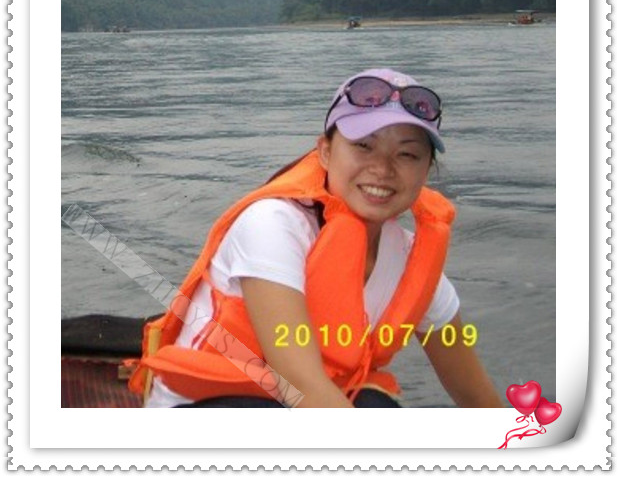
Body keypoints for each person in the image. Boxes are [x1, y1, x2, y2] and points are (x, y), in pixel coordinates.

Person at [129, 68, 503, 408]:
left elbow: (475, 394)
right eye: (363, 146)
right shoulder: (273, 225)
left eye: (407, 154)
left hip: (312, 402)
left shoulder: (409, 260)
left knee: (377, 406)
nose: (383, 168)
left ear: (426, 171)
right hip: (210, 407)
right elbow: (302, 386)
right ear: (325, 151)